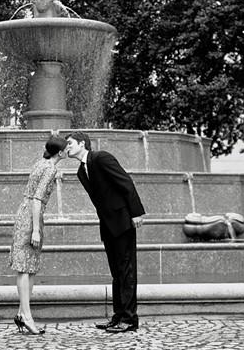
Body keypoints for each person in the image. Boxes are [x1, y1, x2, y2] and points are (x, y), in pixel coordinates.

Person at [66, 131, 145, 334]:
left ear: (82, 144)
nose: (67, 147)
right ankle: (118, 316)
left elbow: (125, 182)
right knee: (116, 273)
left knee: (126, 271)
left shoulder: (101, 157)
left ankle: (129, 319)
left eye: (70, 143)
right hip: (108, 225)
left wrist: (136, 213)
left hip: (123, 221)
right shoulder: (81, 172)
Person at [10, 134, 67, 335]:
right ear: (60, 152)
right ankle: (26, 316)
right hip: (31, 215)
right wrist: (35, 228)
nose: (68, 151)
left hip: (25, 213)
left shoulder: (40, 163)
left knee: (28, 265)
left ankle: (21, 313)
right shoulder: (51, 168)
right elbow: (37, 199)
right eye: (66, 148)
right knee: (25, 267)